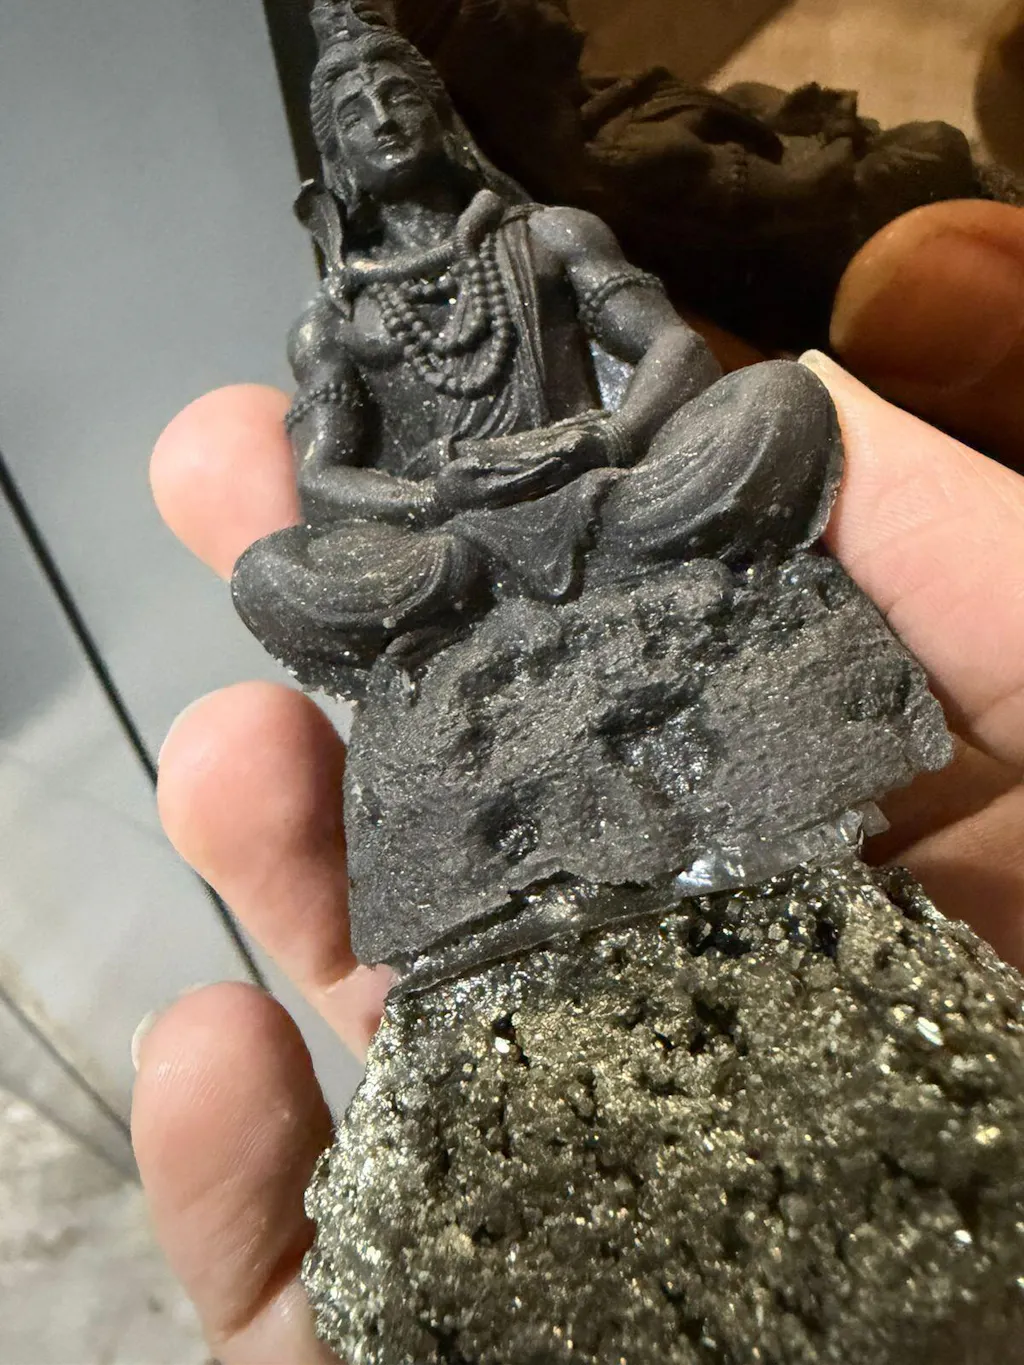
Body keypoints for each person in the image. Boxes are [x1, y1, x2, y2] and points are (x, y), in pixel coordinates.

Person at [231, 9, 841, 690]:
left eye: (400, 97)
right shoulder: (332, 321)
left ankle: (583, 595)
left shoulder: (552, 234)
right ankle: (507, 621)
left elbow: (676, 346)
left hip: (602, 488)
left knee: (779, 395)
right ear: (338, 163)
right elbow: (320, 480)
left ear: (443, 118)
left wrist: (611, 437)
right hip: (453, 544)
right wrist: (431, 497)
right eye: (355, 116)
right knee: (268, 573)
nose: (384, 121)